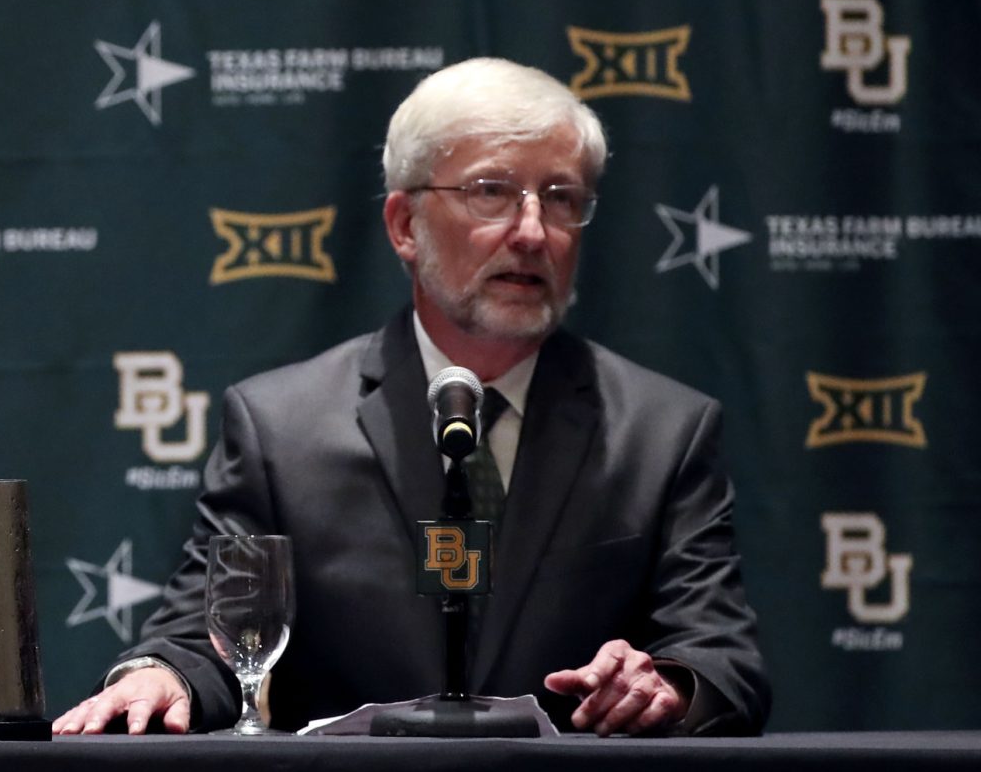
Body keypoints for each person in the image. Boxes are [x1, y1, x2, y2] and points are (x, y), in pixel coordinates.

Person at [54, 58, 768, 737]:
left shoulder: (663, 430)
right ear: (404, 225)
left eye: (561, 198)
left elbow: (722, 661)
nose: (531, 231)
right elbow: (207, 637)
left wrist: (666, 685)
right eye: (491, 191)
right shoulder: (280, 428)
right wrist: (162, 676)